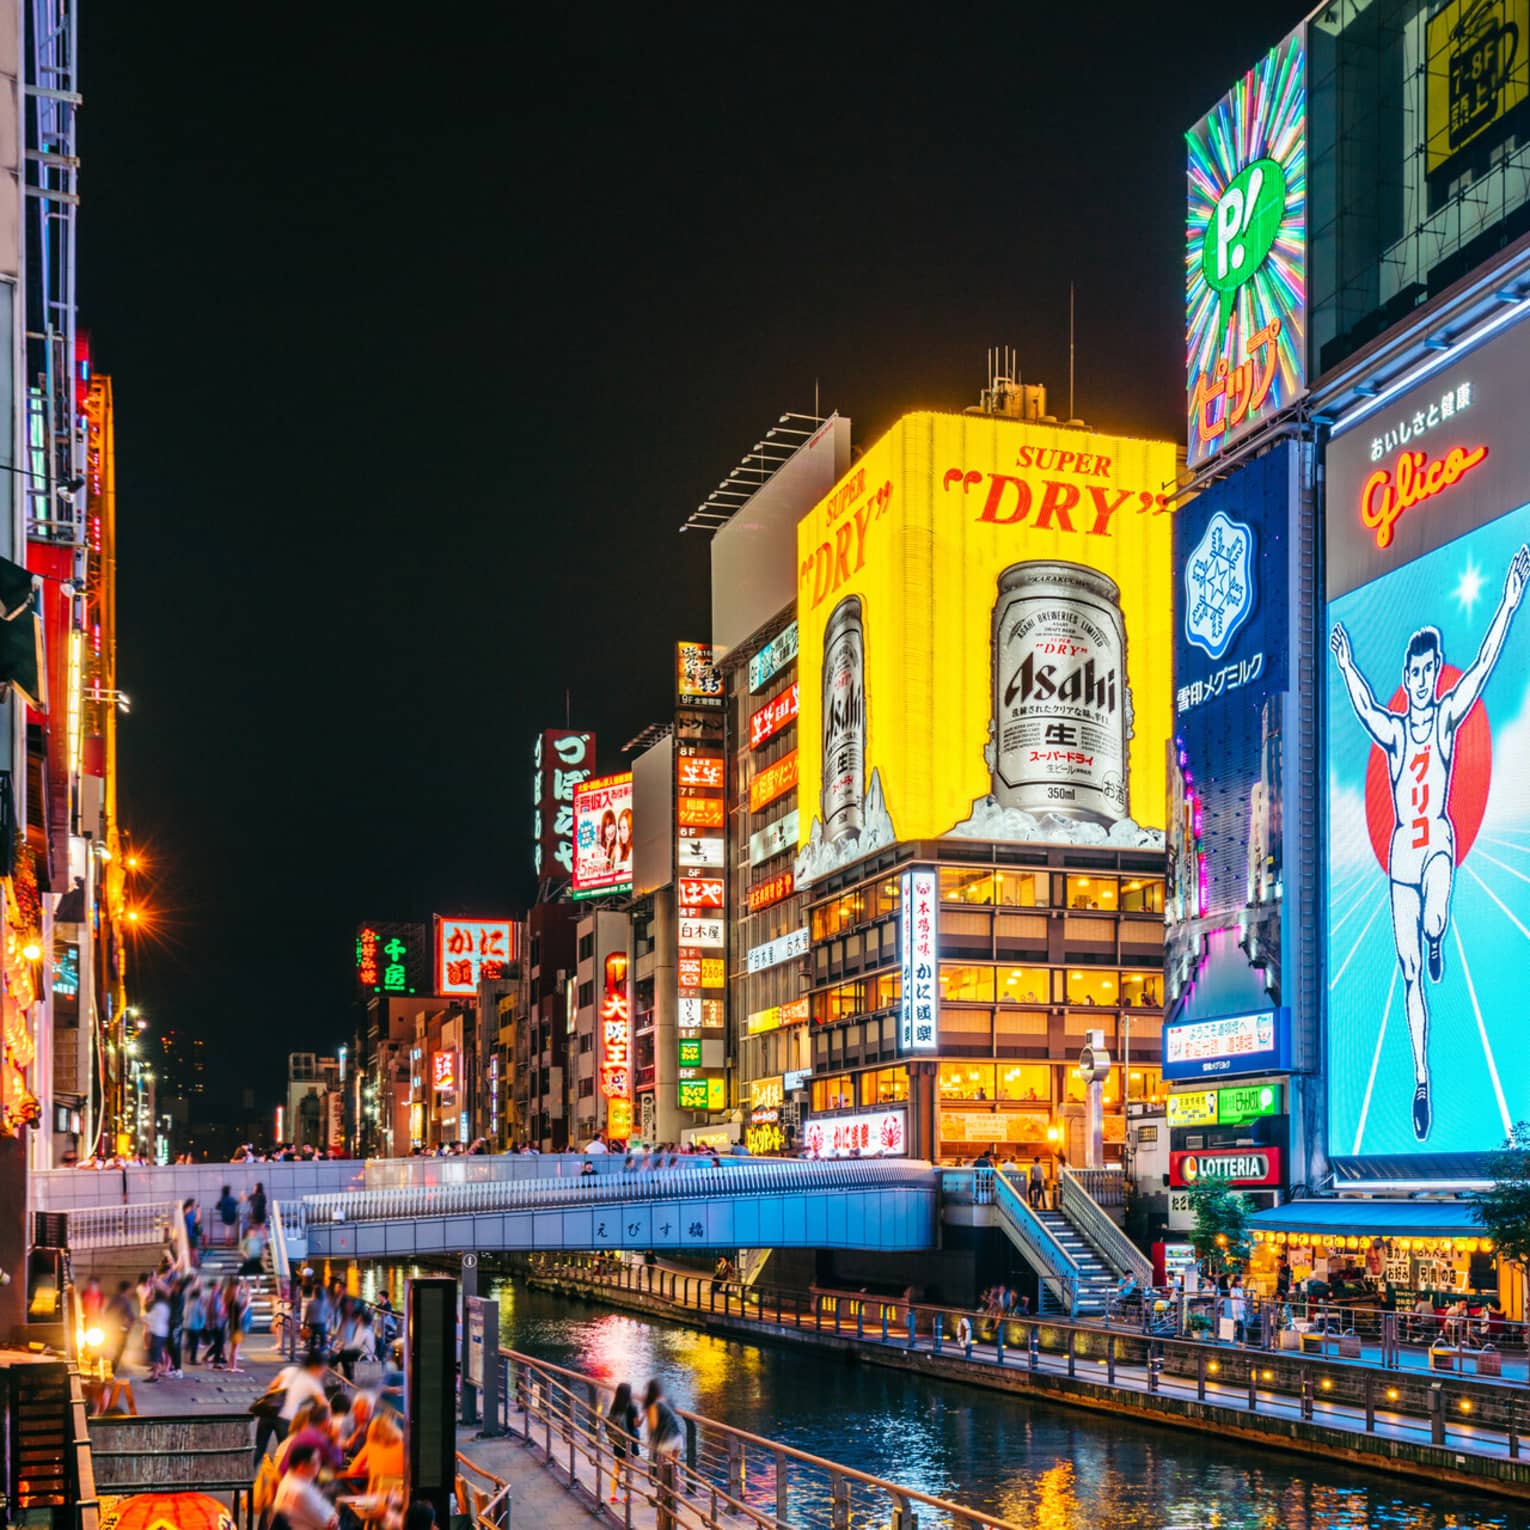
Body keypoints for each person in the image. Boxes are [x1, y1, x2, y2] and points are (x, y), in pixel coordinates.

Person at [1329, 543, 1530, 1140]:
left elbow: (1486, 668)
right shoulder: (1394, 732)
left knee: (1435, 919)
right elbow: (1364, 707)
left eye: (1428, 670)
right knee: (1410, 972)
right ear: (1405, 677)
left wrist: (1509, 601)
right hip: (1400, 857)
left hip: (1436, 841)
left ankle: (1438, 933)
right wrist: (1344, 664)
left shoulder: (1443, 719)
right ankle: (1421, 1078)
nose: (1420, 682)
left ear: (1435, 668)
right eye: (1412, 674)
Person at [255, 1352, 328, 1463]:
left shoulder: (290, 1370)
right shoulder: (313, 1383)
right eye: (323, 1369)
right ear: (316, 1367)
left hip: (269, 1412)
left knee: (259, 1449)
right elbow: (324, 1405)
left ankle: (247, 1474)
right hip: (286, 1419)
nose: (323, 1373)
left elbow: (272, 1386)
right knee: (286, 1453)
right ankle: (279, 1477)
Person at [271, 1442, 339, 1530]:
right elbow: (328, 1523)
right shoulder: (300, 1490)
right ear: (301, 1466)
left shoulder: (292, 1479)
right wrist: (335, 1517)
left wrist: (334, 1516)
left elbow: (327, 1512)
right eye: (316, 1462)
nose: (319, 1465)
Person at [345, 1410, 405, 1487]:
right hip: (398, 1495)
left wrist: (370, 1469)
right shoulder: (403, 1447)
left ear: (372, 1431)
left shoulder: (370, 1445)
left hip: (375, 1495)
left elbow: (352, 1471)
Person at [605, 1381, 640, 1503]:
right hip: (630, 1442)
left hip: (618, 1442)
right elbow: (636, 1424)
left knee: (616, 1469)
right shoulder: (632, 1407)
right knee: (629, 1471)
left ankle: (613, 1495)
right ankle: (627, 1496)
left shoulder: (614, 1407)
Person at [642, 1379, 682, 1460]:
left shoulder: (654, 1405)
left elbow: (653, 1426)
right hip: (677, 1437)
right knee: (673, 1468)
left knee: (665, 1469)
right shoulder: (667, 1400)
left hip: (667, 1440)